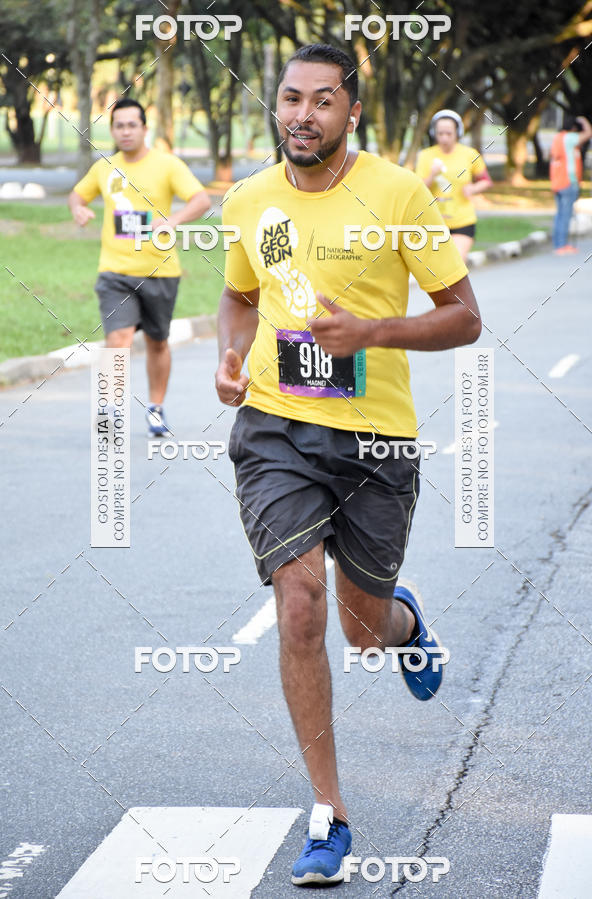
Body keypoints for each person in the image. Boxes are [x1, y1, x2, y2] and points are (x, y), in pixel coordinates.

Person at [215, 44, 482, 887]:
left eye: (322, 102)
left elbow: (463, 318)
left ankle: (401, 622)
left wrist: (370, 332)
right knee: (300, 604)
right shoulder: (250, 199)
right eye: (291, 99)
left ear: (351, 113)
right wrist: (229, 358)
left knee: (360, 634)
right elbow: (238, 296)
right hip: (275, 427)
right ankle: (329, 814)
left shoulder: (399, 194)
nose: (302, 115)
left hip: (376, 439)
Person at [69, 98, 211, 436]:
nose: (126, 131)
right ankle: (111, 407)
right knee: (117, 337)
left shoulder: (167, 165)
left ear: (144, 129)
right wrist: (78, 209)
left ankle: (156, 407)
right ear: (113, 130)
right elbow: (78, 195)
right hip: (115, 271)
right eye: (119, 125)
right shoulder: (104, 167)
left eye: (132, 125)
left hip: (160, 271)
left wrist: (174, 220)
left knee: (157, 343)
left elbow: (201, 200)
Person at [416, 109, 492, 262]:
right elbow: (418, 188)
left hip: (462, 220)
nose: (444, 138)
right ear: (433, 133)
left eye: (449, 133)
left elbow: (486, 181)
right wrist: (432, 175)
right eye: (440, 133)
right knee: (436, 269)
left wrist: (473, 188)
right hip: (433, 222)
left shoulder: (470, 154)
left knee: (455, 263)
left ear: (458, 133)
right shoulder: (426, 156)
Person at [550, 114, 592, 255]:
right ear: (574, 128)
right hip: (567, 181)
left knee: (560, 214)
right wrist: (584, 121)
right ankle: (562, 245)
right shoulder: (570, 138)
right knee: (566, 215)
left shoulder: (558, 138)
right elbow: (588, 133)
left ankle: (558, 244)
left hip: (557, 181)